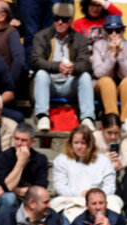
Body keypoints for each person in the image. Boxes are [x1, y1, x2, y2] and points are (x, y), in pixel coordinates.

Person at [30, 4, 95, 134]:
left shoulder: (79, 39)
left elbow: (86, 64)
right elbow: (36, 60)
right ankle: (43, 116)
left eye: (64, 20)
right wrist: (57, 66)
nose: (60, 22)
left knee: (85, 77)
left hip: (70, 84)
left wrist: (73, 67)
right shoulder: (41, 36)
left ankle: (87, 117)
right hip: (49, 85)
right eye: (57, 19)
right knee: (41, 74)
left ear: (70, 21)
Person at [52, 124, 119, 222]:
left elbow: (110, 186)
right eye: (76, 143)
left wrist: (95, 196)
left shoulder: (103, 160)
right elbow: (59, 186)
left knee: (114, 203)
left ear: (90, 144)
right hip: (72, 199)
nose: (79, 147)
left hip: (99, 200)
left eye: (83, 143)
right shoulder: (61, 160)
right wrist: (80, 193)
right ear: (71, 143)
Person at [0, 122, 49, 219]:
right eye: (16, 139)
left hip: (29, 202)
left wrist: (15, 189)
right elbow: (7, 187)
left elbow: (39, 191)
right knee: (9, 198)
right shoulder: (4, 157)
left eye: (24, 140)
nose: (19, 143)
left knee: (42, 203)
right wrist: (21, 162)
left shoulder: (41, 159)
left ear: (33, 142)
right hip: (3, 202)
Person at [91, 15, 127, 127]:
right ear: (105, 32)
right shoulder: (98, 46)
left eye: (117, 30)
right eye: (110, 31)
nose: (114, 34)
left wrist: (120, 56)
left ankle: (126, 121)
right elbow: (98, 73)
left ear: (123, 31)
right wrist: (112, 56)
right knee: (106, 81)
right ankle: (112, 120)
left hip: (122, 88)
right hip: (102, 87)